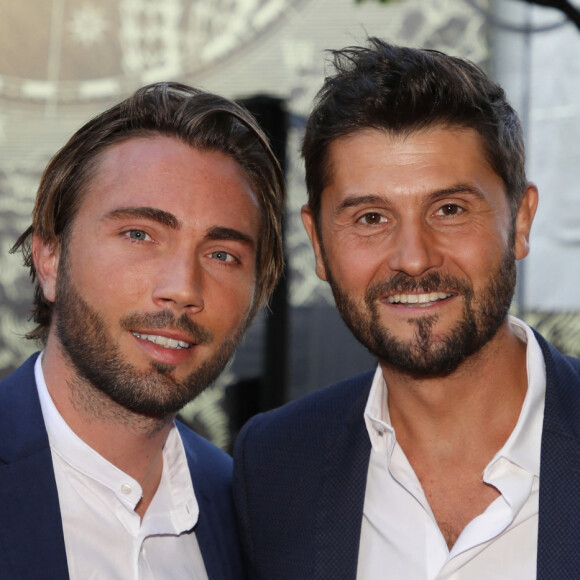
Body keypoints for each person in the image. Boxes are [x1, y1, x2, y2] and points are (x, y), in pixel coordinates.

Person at [233, 38, 580, 579]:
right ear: (318, 244)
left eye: (449, 208)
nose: (414, 258)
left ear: (521, 221)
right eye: (371, 218)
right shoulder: (276, 466)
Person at [0, 82, 285, 579]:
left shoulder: (250, 515)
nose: (182, 288)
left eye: (222, 255)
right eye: (139, 234)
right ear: (50, 258)